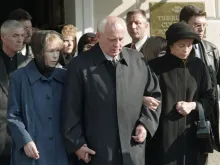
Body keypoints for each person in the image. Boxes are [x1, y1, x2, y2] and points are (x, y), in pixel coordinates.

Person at [61, 16, 161, 165]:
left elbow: (154, 97)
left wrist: (145, 125)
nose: (118, 44)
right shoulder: (80, 65)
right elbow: (70, 109)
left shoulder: (137, 60)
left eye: (121, 39)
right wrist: (77, 145)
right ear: (98, 37)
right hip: (97, 153)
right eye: (112, 39)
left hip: (132, 152)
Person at [146, 22, 215, 165]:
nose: (186, 50)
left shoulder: (198, 66)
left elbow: (209, 98)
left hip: (192, 137)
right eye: (181, 45)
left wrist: (193, 105)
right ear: (170, 45)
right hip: (162, 138)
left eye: (189, 45)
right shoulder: (154, 67)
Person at [7, 30, 69, 165]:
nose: (55, 56)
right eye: (51, 51)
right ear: (39, 52)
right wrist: (25, 140)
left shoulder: (65, 76)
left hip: (60, 152)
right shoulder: (19, 78)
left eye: (58, 51)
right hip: (31, 152)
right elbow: (13, 115)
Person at [179, 5, 220, 153]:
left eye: (204, 25)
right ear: (184, 25)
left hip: (206, 114)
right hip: (181, 115)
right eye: (197, 25)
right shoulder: (172, 50)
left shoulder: (211, 49)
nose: (201, 29)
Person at [0, 20, 31, 165]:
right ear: (3, 37)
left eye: (22, 35)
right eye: (15, 36)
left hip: (20, 137)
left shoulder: (29, 64)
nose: (20, 39)